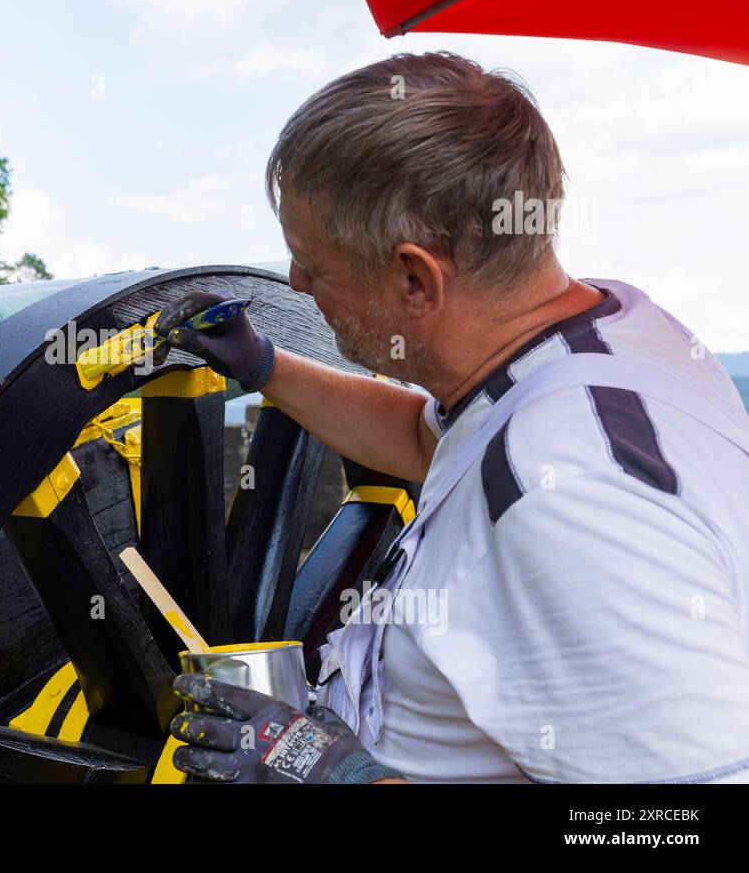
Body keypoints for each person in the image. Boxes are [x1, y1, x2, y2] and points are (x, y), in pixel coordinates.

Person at [155, 52, 749, 784]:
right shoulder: (608, 335)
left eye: (315, 263)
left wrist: (343, 777)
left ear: (415, 279)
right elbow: (428, 441)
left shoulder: (575, 503)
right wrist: (266, 368)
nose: (297, 284)